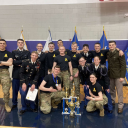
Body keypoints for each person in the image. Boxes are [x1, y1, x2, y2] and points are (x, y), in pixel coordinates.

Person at [107, 41, 126, 113]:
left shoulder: (120, 53)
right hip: (110, 75)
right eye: (110, 45)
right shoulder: (108, 53)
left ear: (115, 45)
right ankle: (112, 101)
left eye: (112, 45)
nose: (111, 46)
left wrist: (122, 76)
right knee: (112, 90)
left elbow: (123, 65)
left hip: (118, 76)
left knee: (120, 91)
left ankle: (120, 105)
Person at [19, 51, 40, 115]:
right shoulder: (25, 62)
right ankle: (24, 108)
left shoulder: (38, 64)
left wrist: (34, 83)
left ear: (37, 57)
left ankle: (32, 107)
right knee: (23, 94)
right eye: (33, 55)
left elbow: (37, 75)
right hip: (24, 81)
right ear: (31, 55)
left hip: (32, 81)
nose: (34, 57)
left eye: (35, 56)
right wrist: (23, 83)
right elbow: (21, 73)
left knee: (32, 93)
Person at [11, 39, 31, 110]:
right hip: (16, 74)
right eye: (19, 43)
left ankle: (26, 103)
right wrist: (23, 62)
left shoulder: (27, 52)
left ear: (23, 44)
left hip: (25, 75)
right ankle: (14, 103)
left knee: (24, 91)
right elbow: (13, 62)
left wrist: (18, 62)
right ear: (17, 44)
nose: (20, 44)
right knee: (15, 90)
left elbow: (28, 62)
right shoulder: (14, 52)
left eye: (22, 43)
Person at [0, 39, 13, 112]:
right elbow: (7, 62)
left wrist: (1, 62)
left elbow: (10, 63)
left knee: (6, 90)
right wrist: (5, 62)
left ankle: (6, 104)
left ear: (6, 45)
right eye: (0, 43)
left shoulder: (9, 53)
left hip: (5, 72)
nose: (2, 44)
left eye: (3, 43)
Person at [36, 43, 46, 108]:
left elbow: (45, 63)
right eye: (38, 46)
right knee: (35, 88)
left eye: (41, 46)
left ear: (42, 47)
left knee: (42, 88)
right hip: (35, 74)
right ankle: (35, 102)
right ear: (36, 47)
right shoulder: (33, 53)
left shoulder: (44, 54)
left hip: (42, 74)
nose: (39, 47)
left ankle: (42, 102)